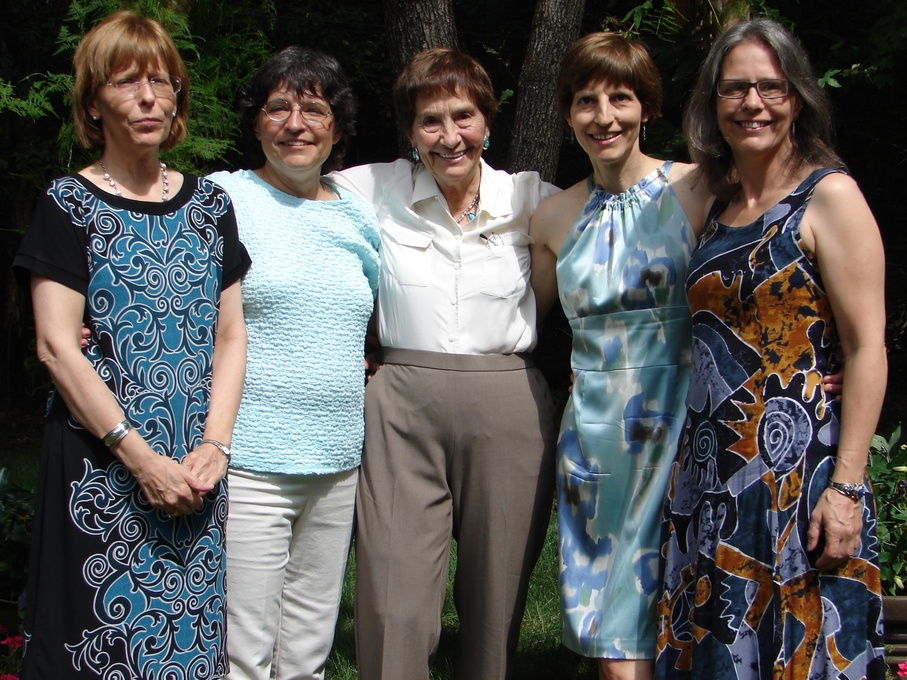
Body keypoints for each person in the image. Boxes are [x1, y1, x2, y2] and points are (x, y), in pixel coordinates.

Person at [13, 11, 249, 679]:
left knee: (188, 643)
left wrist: (214, 447)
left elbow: (230, 334)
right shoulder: (67, 205)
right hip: (103, 469)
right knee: (100, 648)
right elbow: (57, 348)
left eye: (161, 81)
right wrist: (141, 461)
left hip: (197, 471)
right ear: (94, 103)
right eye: (125, 82)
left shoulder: (210, 207)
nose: (148, 97)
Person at [655, 17, 886, 679]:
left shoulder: (829, 197)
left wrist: (845, 488)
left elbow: (867, 346)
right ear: (711, 103)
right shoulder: (712, 202)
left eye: (768, 87)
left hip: (798, 476)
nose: (750, 103)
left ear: (797, 96)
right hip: (709, 474)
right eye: (733, 89)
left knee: (797, 645)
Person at [327, 48, 559, 680]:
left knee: (497, 598)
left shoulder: (534, 198)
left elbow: (631, 223)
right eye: (431, 120)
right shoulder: (369, 189)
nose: (450, 136)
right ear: (410, 131)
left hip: (510, 402)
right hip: (400, 406)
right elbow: (273, 198)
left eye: (465, 116)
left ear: (487, 121)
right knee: (391, 600)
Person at [529, 33, 711, 680]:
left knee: (690, 600)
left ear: (647, 107)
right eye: (585, 100)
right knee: (612, 628)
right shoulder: (551, 217)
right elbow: (514, 323)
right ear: (566, 112)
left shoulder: (696, 188)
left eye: (620, 97)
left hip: (685, 425)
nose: (602, 116)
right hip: (596, 439)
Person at [207, 46, 379, 680]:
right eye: (279, 107)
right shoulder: (220, 200)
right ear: (256, 123)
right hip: (248, 456)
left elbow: (379, 318)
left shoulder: (360, 217)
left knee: (310, 643)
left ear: (337, 125)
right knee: (243, 647)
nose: (296, 123)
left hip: (337, 460)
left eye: (314, 108)